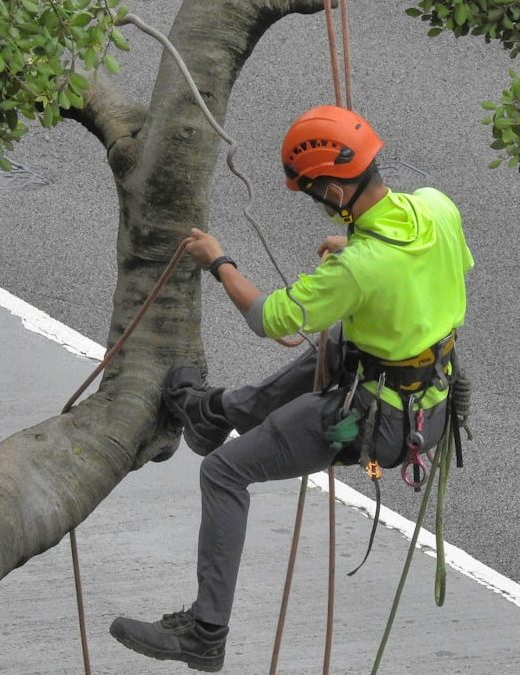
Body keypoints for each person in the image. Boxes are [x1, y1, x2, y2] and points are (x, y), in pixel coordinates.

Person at [109, 105, 474, 672]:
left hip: (380, 421)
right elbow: (423, 272)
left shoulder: (361, 268)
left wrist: (219, 261)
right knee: (335, 345)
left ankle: (206, 634)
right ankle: (213, 413)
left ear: (332, 188)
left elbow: (269, 319)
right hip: (428, 395)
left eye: (315, 194)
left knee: (224, 472)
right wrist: (354, 253)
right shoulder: (436, 206)